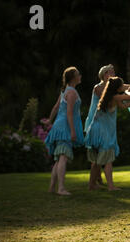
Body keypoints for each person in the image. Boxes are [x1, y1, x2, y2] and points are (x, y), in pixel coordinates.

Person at [85, 77, 130, 191]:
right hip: (103, 132)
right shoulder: (115, 97)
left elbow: (124, 105)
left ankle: (91, 185)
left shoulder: (108, 97)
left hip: (95, 130)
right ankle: (111, 186)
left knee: (96, 161)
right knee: (108, 160)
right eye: (121, 86)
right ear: (116, 88)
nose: (122, 88)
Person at [45, 67, 84, 195]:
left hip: (58, 125)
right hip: (65, 127)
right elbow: (69, 113)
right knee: (63, 157)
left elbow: (56, 107)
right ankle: (61, 188)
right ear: (73, 78)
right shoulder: (71, 92)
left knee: (59, 158)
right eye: (78, 74)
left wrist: (49, 121)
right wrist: (73, 131)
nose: (80, 76)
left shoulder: (64, 91)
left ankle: (52, 188)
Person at [84, 64, 116, 188]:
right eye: (110, 72)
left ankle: (94, 183)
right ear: (104, 75)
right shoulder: (98, 88)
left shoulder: (112, 88)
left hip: (106, 126)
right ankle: (106, 185)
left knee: (97, 158)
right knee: (101, 157)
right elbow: (110, 100)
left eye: (113, 72)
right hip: (96, 125)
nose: (113, 75)